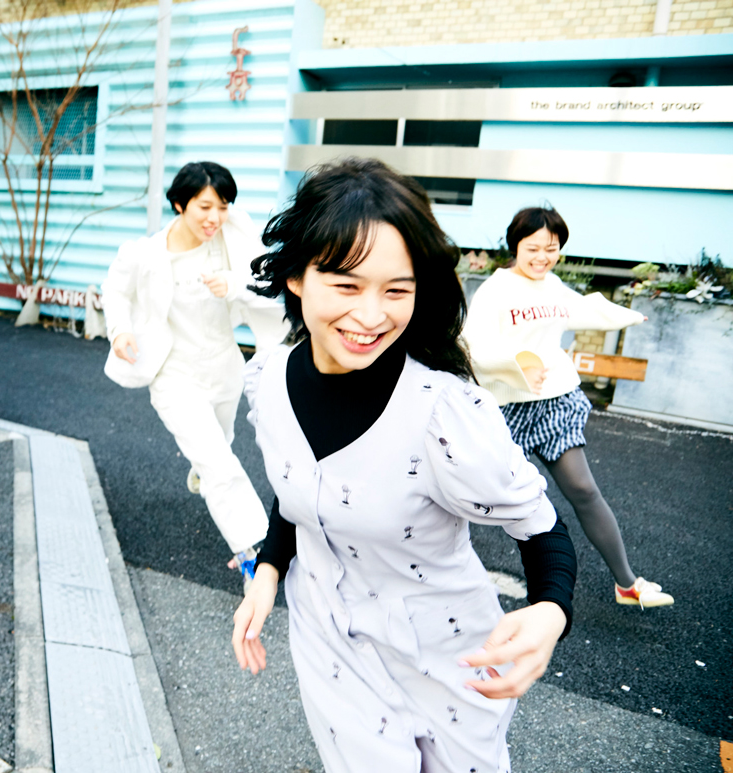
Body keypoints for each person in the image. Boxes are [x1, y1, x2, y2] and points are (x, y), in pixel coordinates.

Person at [231, 158, 577, 773]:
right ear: (296, 277)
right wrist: (269, 571)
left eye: (396, 290)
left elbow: (540, 526)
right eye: (346, 285)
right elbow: (297, 491)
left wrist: (551, 610)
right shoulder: (267, 380)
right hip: (330, 648)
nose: (371, 316)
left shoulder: (444, 414)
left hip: (450, 663)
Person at [463, 206, 673, 609]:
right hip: (507, 409)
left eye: (552, 248)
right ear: (515, 246)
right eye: (533, 248)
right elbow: (474, 348)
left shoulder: (553, 285)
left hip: (555, 401)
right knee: (473, 495)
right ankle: (423, 572)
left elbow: (585, 309)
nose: (542, 257)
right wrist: (516, 368)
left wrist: (627, 315)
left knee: (583, 489)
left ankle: (627, 584)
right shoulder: (496, 290)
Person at [102, 161, 288, 589]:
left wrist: (234, 285)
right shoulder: (145, 254)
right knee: (220, 464)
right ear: (179, 204)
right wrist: (120, 330)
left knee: (219, 445)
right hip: (173, 374)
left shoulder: (231, 239)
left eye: (222, 206)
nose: (215, 217)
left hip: (224, 368)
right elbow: (116, 290)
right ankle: (252, 553)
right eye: (205, 207)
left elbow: (266, 284)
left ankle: (204, 470)